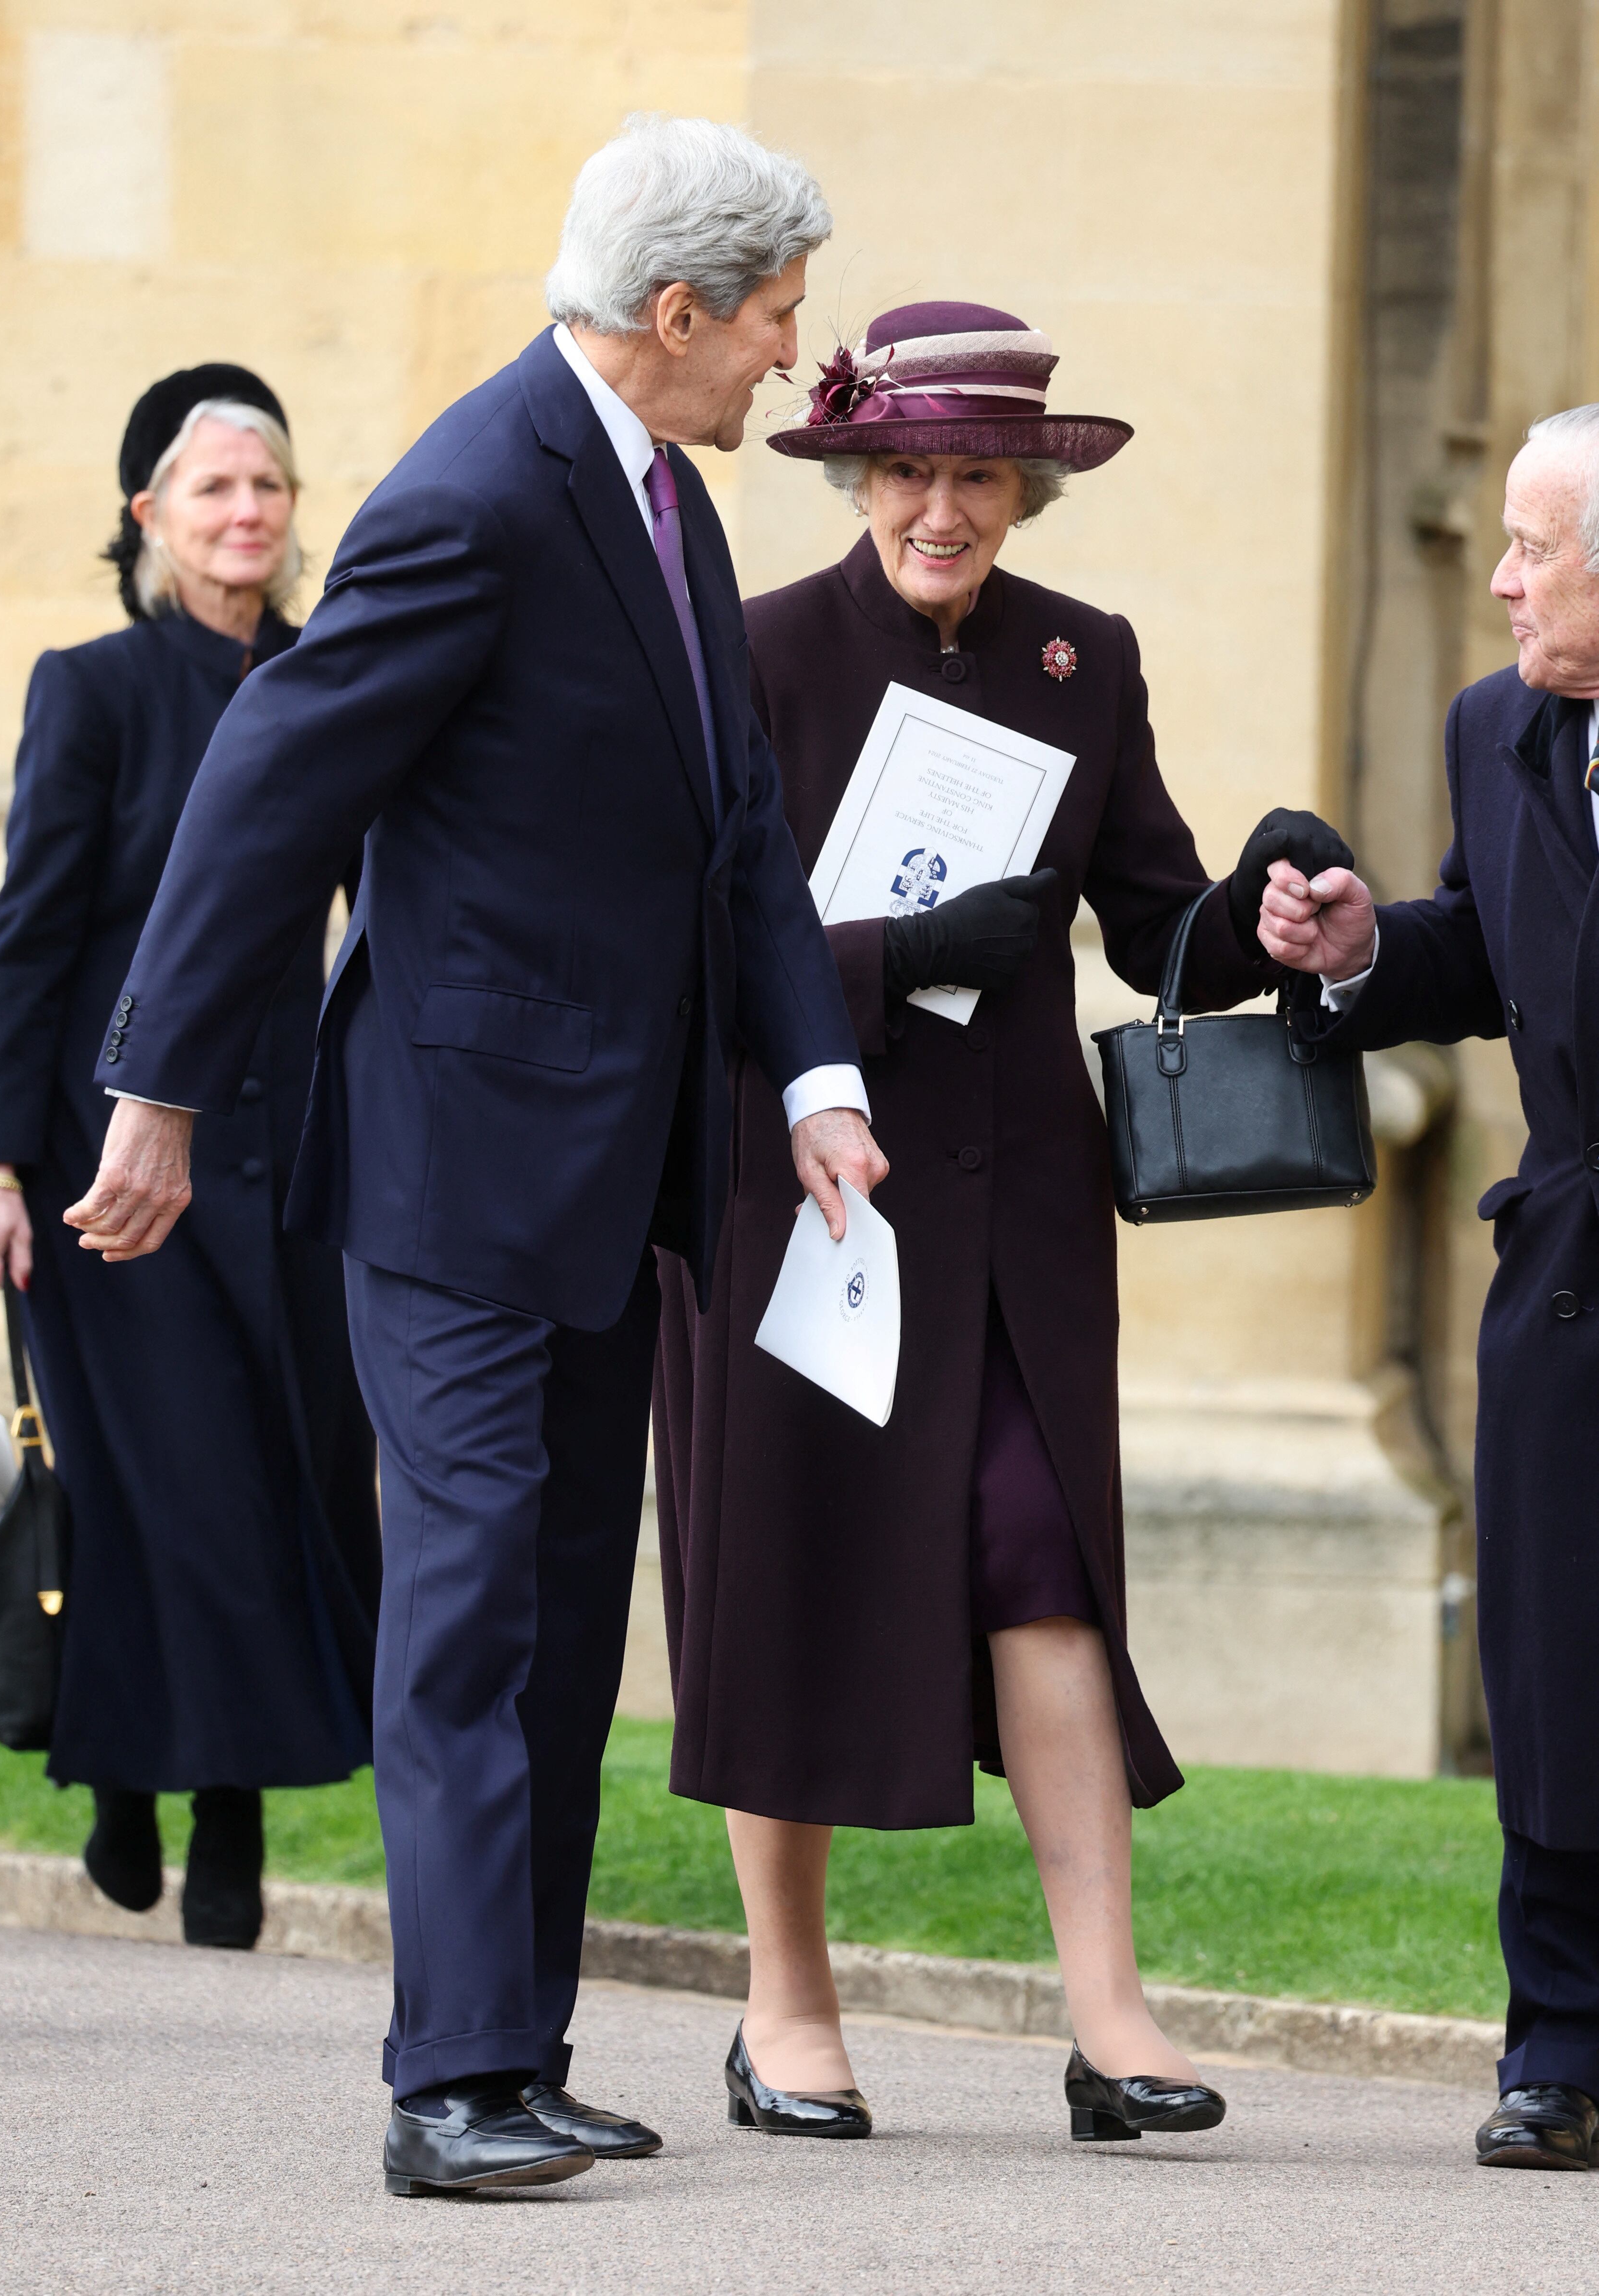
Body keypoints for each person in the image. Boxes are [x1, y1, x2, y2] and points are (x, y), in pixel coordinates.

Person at [59, 117, 886, 2198]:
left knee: (554, 1606)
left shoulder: (670, 506)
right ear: (677, 313)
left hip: (610, 1179)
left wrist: (811, 1082)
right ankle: (448, 2082)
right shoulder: (470, 493)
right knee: (462, 1620)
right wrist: (152, 1083)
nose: (794, 357)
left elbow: (738, 843)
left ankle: (518, 2045)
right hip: (447, 1169)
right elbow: (273, 778)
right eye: (776, 318)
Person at [653, 300, 1348, 2140]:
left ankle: (1112, 2018)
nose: (940, 509)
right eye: (910, 471)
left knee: (1044, 1566)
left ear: (1028, 490)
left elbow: (1155, 923)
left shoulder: (1081, 658)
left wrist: (1259, 908)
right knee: (785, 1572)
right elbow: (688, 952)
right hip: (801, 1195)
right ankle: (783, 2008)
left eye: (977, 474)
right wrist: (887, 962)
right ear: (859, 473)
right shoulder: (757, 653)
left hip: (1022, 1217)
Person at [0, 367, 380, 1950]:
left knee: (283, 1468)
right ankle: (146, 1788)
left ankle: (224, 1794)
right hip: (112, 1164)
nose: (246, 513)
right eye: (214, 487)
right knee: (162, 1481)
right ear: (148, 512)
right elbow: (28, 938)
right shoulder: (92, 690)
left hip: (291, 1154)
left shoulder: (338, 679)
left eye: (270, 488)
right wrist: (5, 1160)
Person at [1259, 405, 1599, 2174]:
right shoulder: (1495, 727)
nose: (1504, 584)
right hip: (1568, 1273)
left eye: (1533, 549)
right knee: (1552, 1660)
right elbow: (1480, 944)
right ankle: (1559, 2052)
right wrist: (1359, 944)